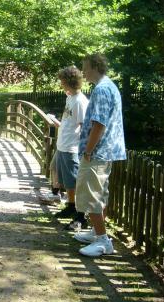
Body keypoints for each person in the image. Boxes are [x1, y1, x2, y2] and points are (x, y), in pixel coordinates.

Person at [74, 53, 126, 256]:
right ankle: (97, 232)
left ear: (95, 67)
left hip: (97, 152)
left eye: (85, 67)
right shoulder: (108, 86)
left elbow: (99, 124)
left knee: (92, 196)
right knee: (101, 194)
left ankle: (103, 241)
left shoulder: (102, 89)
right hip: (106, 151)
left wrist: (88, 149)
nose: (83, 72)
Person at [52, 66, 89, 229]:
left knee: (74, 181)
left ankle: (81, 216)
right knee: (67, 180)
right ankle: (71, 206)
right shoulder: (70, 97)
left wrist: (83, 149)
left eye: (62, 81)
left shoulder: (80, 101)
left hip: (72, 147)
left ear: (68, 81)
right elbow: (70, 121)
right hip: (63, 144)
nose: (60, 84)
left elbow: (84, 127)